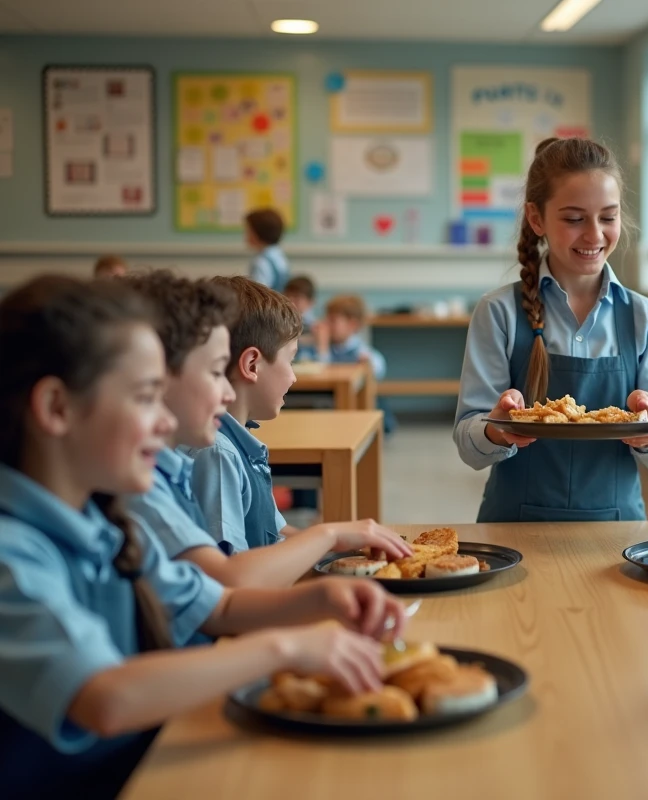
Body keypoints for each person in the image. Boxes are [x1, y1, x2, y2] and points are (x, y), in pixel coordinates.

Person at [0, 276, 405, 799]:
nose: (165, 420)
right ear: (57, 408)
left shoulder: (104, 522)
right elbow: (106, 698)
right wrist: (284, 647)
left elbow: (217, 606)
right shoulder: (14, 554)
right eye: (146, 397)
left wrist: (324, 596)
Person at [123, 271, 410, 587]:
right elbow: (229, 581)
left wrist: (339, 545)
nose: (295, 376)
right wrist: (328, 537)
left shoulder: (233, 445)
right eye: (215, 372)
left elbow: (275, 535)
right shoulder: (214, 452)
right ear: (251, 365)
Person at [453, 137, 648, 522]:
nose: (594, 235)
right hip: (513, 527)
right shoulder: (498, 312)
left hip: (617, 529)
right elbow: (468, 444)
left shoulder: (646, 318)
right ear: (536, 218)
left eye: (608, 217)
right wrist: (497, 428)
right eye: (574, 219)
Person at [244, 207, 289, 292]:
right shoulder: (278, 254)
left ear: (258, 232)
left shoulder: (261, 261)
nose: (246, 235)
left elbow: (258, 295)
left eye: (249, 230)